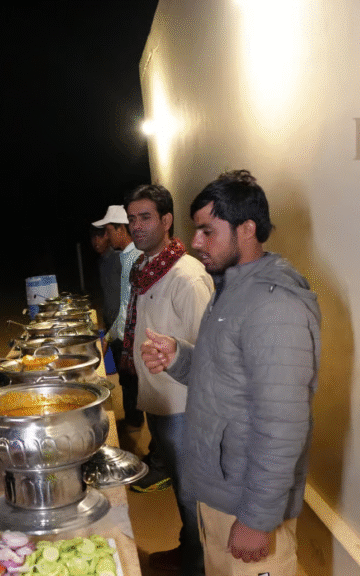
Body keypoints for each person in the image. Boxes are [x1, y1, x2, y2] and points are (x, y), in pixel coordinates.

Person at [141, 170, 321, 576]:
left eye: (208, 231)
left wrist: (257, 519)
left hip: (246, 501)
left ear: (247, 229)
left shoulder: (275, 307)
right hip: (219, 491)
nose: (197, 242)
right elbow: (226, 379)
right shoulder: (231, 290)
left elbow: (283, 424)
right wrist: (180, 358)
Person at [125, 184, 213, 575]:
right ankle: (187, 550)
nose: (136, 226)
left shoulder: (187, 277)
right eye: (131, 219)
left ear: (166, 220)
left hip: (184, 408)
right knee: (182, 493)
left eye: (145, 218)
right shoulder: (146, 270)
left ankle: (198, 565)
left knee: (195, 498)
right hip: (158, 401)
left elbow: (208, 355)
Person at [93, 205, 143, 428]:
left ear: (121, 229)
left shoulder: (132, 257)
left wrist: (108, 338)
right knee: (128, 380)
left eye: (109, 230)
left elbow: (128, 305)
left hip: (130, 334)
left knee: (133, 381)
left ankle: (135, 423)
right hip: (124, 333)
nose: (108, 236)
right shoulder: (125, 256)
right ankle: (134, 420)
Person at [90, 223, 121, 331]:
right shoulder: (101, 262)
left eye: (100, 236)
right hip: (109, 322)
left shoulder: (119, 258)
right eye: (93, 237)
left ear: (107, 236)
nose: (96, 241)